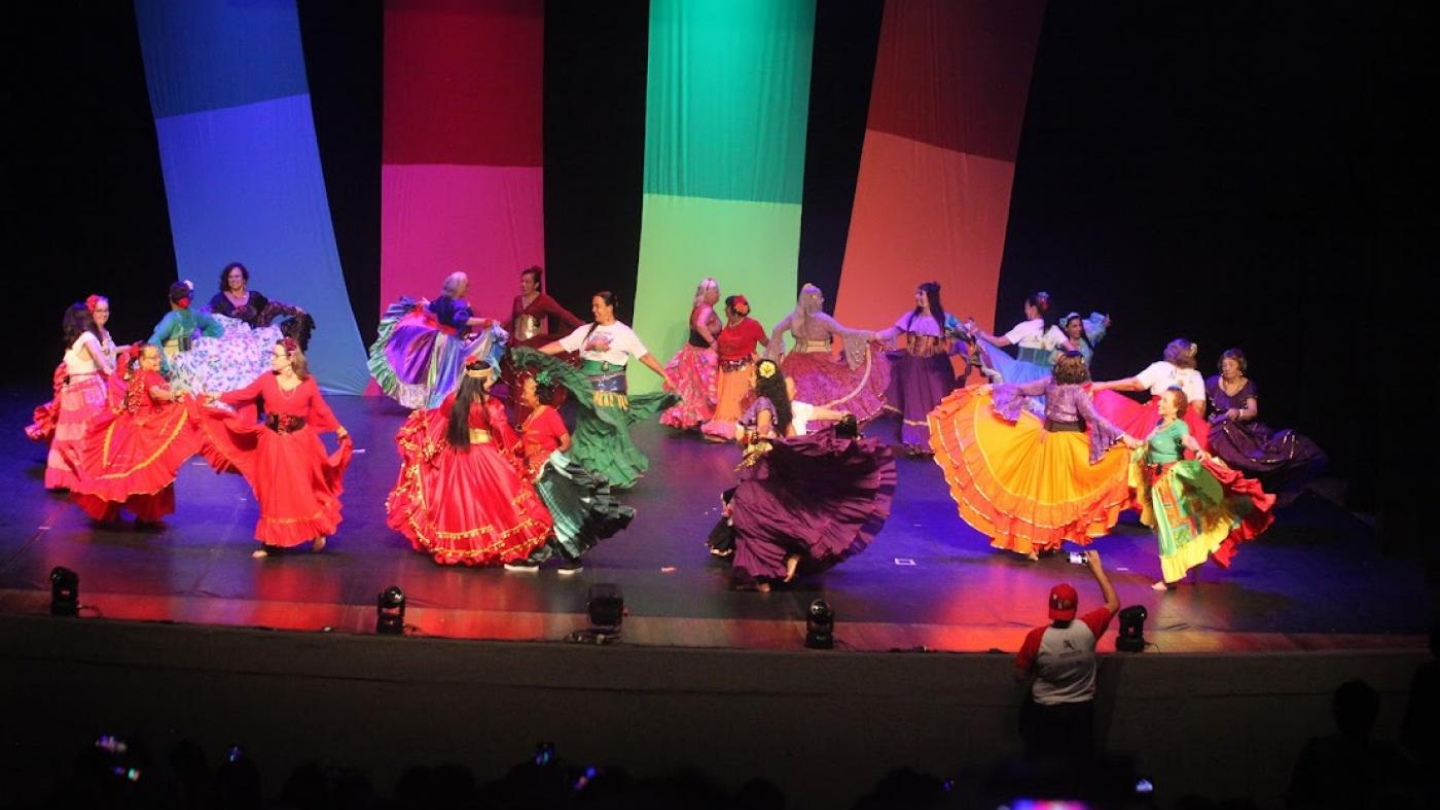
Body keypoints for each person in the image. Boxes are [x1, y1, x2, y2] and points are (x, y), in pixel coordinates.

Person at [928, 351, 1139, 560]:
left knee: (1039, 492)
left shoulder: (1050, 382)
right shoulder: (1076, 393)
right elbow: (1096, 419)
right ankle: (1041, 541)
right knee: (1055, 493)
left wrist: (991, 387)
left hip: (1044, 438)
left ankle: (1037, 542)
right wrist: (1123, 437)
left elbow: (1020, 388)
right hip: (1065, 446)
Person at [727, 359, 895, 590]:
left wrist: (750, 438)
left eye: (753, 376)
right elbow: (791, 437)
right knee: (761, 515)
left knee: (750, 515)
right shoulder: (780, 407)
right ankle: (770, 568)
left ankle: (764, 572)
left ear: (763, 381)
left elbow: (764, 429)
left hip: (760, 469)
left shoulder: (764, 403)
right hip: (764, 468)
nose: (749, 379)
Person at [194, 338, 353, 558]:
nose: (271, 359)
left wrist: (339, 428)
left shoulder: (308, 382)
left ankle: (318, 529)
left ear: (290, 359)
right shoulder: (266, 380)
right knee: (274, 491)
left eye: (275, 355)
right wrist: (217, 396)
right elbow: (244, 394)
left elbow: (322, 409)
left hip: (300, 443)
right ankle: (271, 542)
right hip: (272, 442)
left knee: (301, 489)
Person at [386, 360, 553, 567]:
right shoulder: (492, 406)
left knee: (458, 503)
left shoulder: (453, 400)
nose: (493, 381)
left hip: (455, 455)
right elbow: (505, 436)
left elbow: (438, 422)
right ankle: (495, 546)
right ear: (481, 382)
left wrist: (432, 446)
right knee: (498, 502)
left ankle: (462, 547)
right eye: (490, 378)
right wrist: (519, 450)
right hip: (485, 456)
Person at [511, 291, 677, 489]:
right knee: (589, 430)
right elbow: (560, 345)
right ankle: (591, 472)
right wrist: (533, 353)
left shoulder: (624, 333)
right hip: (588, 390)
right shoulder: (585, 331)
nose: (594, 310)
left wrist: (665, 375)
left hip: (612, 391)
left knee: (609, 429)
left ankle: (612, 474)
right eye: (593, 306)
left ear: (610, 308)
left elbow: (644, 356)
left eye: (598, 306)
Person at [1130, 387, 1274, 590]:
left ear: (1175, 407)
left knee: (1168, 531)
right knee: (1181, 526)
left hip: (1170, 483)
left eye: (1164, 400)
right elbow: (1145, 445)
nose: (1159, 402)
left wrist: (1197, 449)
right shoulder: (1159, 424)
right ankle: (1193, 561)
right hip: (1156, 483)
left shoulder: (1178, 426)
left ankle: (1170, 578)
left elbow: (1187, 439)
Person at [504, 374, 635, 574]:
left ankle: (571, 559)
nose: (523, 393)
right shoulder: (531, 415)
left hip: (548, 472)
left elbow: (566, 441)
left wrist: (548, 457)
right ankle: (535, 556)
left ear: (538, 395)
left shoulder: (549, 414)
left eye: (527, 390)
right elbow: (530, 442)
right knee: (538, 516)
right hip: (532, 473)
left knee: (558, 515)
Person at [71, 344, 200, 525]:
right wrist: (173, 395)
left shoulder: (137, 375)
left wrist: (121, 410)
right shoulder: (149, 375)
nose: (157, 360)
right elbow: (155, 393)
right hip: (145, 428)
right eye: (152, 358)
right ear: (141, 360)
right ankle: (146, 514)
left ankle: (129, 512)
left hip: (131, 425)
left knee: (130, 471)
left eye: (158, 357)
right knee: (150, 472)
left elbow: (130, 398)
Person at [1014, 550, 1120, 757]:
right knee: (1078, 762)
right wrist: (1096, 568)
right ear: (1075, 607)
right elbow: (1114, 603)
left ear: (1050, 607)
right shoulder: (1089, 628)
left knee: (1041, 759)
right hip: (1081, 710)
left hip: (1044, 710)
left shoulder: (1037, 638)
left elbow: (1019, 677)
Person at [368, 271, 509, 409]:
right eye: (466, 285)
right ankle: (442, 403)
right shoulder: (458, 304)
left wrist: (426, 304)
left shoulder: (444, 300)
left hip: (439, 339)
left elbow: (432, 307)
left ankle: (435, 401)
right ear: (459, 287)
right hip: (450, 343)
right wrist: (484, 321)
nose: (468, 288)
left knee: (438, 371)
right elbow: (461, 320)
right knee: (448, 373)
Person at [767, 283, 890, 424]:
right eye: (820, 297)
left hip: (794, 360)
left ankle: (794, 425)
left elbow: (777, 330)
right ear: (813, 300)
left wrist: (775, 353)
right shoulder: (822, 319)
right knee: (825, 392)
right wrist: (870, 335)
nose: (823, 300)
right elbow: (846, 333)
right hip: (818, 363)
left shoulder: (794, 317)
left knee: (795, 394)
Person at [1205, 348, 1326, 489]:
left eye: (1231, 365)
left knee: (1259, 450)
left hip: (1244, 431)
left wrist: (1238, 413)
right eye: (1224, 365)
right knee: (1223, 428)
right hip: (1220, 429)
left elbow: (1252, 411)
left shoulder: (1247, 385)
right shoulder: (1214, 382)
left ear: (1240, 367)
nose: (1226, 368)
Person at [875, 282, 962, 454]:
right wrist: (872, 336)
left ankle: (934, 442)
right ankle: (913, 442)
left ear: (931, 297)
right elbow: (892, 332)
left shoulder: (945, 319)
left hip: (935, 367)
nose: (917, 297)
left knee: (935, 402)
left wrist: (961, 350)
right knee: (914, 403)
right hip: (913, 366)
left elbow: (958, 341)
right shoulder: (911, 317)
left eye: (921, 294)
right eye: (917, 294)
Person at [45, 302, 119, 489]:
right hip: (74, 392)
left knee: (86, 434)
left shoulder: (87, 337)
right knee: (67, 437)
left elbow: (102, 362)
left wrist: (117, 381)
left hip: (87, 390)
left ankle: (91, 474)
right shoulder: (79, 338)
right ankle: (68, 478)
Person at [28, 295, 120, 444]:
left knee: (90, 426)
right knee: (76, 427)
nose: (103, 314)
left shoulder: (91, 336)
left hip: (88, 387)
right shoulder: (84, 337)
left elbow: (103, 356)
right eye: (98, 311)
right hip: (78, 387)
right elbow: (96, 357)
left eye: (105, 310)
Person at [1092, 338, 1210, 452]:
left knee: (1143, 451)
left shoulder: (1161, 367)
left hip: (1157, 414)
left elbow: (1134, 384)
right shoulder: (1195, 375)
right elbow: (1198, 408)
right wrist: (1192, 426)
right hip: (1185, 418)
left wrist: (1103, 385)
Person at [502, 266, 583, 420]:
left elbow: (562, 313)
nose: (523, 285)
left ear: (536, 285)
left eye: (527, 282)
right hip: (518, 347)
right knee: (519, 384)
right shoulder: (517, 300)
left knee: (533, 382)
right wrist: (501, 329)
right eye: (522, 281)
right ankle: (521, 421)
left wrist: (582, 326)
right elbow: (513, 319)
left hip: (535, 347)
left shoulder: (543, 299)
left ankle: (538, 419)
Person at [701, 295, 768, 441]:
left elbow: (766, 342)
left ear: (733, 310)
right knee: (724, 402)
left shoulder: (752, 325)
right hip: (726, 371)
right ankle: (726, 427)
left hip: (742, 371)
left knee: (735, 403)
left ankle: (735, 428)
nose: (724, 310)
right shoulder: (729, 324)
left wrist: (773, 356)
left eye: (726, 308)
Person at [659, 278, 722, 431]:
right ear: (707, 293)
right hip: (701, 355)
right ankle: (697, 420)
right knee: (704, 389)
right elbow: (700, 324)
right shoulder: (706, 309)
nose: (718, 295)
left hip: (692, 352)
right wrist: (713, 342)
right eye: (716, 292)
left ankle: (690, 420)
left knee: (694, 392)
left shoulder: (699, 307)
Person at [975, 291, 1054, 385]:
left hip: (1025, 374)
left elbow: (999, 342)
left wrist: (980, 334)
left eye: (1026, 308)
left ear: (1033, 309)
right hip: (1045, 376)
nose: (1025, 311)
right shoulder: (1053, 330)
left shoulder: (1026, 327)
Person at [148, 281, 224, 376]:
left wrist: (164, 367)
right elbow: (211, 323)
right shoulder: (194, 314)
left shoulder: (172, 318)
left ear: (170, 297)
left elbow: (153, 341)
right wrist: (208, 337)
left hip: (174, 360)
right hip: (190, 357)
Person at [1045, 311, 1110, 367]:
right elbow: (1051, 363)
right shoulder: (1061, 346)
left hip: (1084, 379)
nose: (1079, 329)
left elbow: (1099, 329)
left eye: (1080, 325)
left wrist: (1104, 322)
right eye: (1074, 326)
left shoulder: (1087, 339)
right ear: (1066, 329)